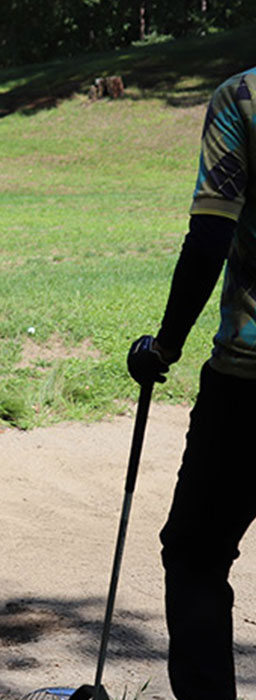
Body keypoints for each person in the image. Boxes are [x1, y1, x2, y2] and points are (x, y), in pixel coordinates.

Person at [128, 66, 255, 699]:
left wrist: (165, 347)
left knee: (197, 555)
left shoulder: (244, 98)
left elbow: (210, 236)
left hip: (248, 379)